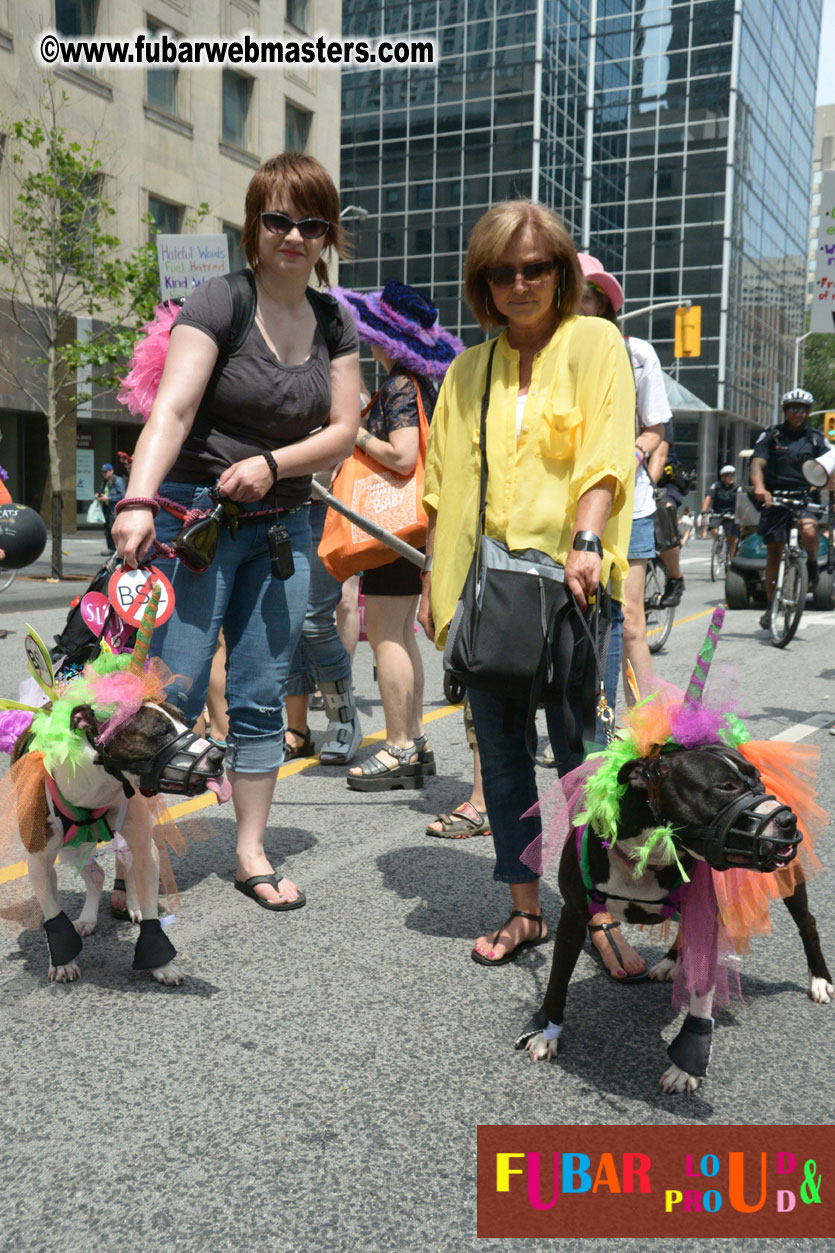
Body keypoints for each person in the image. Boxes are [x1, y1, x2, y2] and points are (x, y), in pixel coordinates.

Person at [112, 152, 361, 911]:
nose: (293, 235)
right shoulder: (219, 301)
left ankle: (251, 849)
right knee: (171, 690)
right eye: (278, 218)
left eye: (310, 222)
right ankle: (135, 859)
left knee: (258, 692)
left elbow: (345, 430)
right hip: (198, 520)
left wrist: (271, 462)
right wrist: (138, 500)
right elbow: (174, 413)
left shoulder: (333, 320)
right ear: (254, 224)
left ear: (326, 236)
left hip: (284, 519)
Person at [419, 202, 635, 968]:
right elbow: (441, 485)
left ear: (561, 270)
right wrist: (433, 584)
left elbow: (606, 451)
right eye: (502, 271)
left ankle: (597, 908)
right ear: (483, 282)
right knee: (503, 757)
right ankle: (523, 907)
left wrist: (586, 537)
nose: (519, 283)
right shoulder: (467, 368)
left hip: (571, 582)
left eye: (535, 267)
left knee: (583, 756)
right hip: (488, 590)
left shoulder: (594, 342)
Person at [331, 281, 463, 791]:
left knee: (386, 634)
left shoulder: (402, 385)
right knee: (402, 632)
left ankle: (398, 746)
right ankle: (415, 739)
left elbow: (405, 456)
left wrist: (357, 435)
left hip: (394, 524)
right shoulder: (423, 383)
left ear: (386, 338)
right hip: (419, 524)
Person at [577, 253, 671, 704]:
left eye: (587, 296)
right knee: (576, 623)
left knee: (630, 620)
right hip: (567, 508)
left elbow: (655, 428)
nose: (578, 304)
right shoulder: (543, 356)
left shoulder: (636, 354)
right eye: (569, 295)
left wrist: (630, 454)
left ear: (603, 303)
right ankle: (586, 727)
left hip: (630, 505)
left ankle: (644, 738)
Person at [282, 464, 363, 766]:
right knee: (291, 621)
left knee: (313, 620)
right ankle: (297, 730)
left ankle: (343, 720)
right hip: (278, 506)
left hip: (327, 503)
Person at [750, 388, 830, 630]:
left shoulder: (816, 439)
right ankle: (771, 605)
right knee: (774, 551)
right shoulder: (772, 435)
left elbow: (830, 465)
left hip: (806, 496)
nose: (798, 414)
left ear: (808, 412)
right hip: (776, 497)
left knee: (809, 530)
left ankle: (812, 563)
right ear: (785, 411)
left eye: (802, 409)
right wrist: (760, 487)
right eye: (793, 409)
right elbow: (757, 463)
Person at [701, 464, 741, 559]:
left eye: (732, 475)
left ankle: (732, 561)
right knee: (714, 531)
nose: (731, 477)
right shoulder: (716, 486)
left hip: (731, 514)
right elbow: (708, 497)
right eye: (728, 475)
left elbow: (741, 501)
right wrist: (704, 512)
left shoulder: (737, 487)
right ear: (723, 477)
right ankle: (719, 544)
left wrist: (739, 514)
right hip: (718, 513)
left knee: (732, 540)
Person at [95, 463, 125, 555]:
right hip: (106, 508)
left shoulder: (117, 480)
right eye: (102, 472)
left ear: (111, 471)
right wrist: (99, 495)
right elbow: (103, 492)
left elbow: (122, 496)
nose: (104, 474)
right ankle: (111, 548)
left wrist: (108, 498)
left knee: (114, 529)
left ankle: (118, 548)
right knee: (107, 529)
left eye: (106, 471)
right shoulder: (105, 482)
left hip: (114, 509)